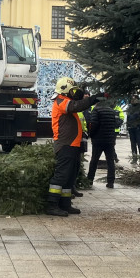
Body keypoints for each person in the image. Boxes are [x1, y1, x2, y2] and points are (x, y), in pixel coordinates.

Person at [47, 78, 99, 217]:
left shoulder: (65, 100)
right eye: (72, 91)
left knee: (70, 177)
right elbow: (75, 106)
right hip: (65, 144)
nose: (74, 93)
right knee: (61, 176)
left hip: (72, 145)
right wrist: (93, 99)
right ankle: (52, 205)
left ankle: (65, 204)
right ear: (65, 90)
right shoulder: (61, 101)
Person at [86, 98, 121, 188]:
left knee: (94, 160)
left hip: (98, 140)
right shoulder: (111, 111)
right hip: (110, 140)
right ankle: (110, 182)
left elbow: (93, 124)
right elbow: (117, 124)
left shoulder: (96, 111)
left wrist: (91, 135)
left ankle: (89, 180)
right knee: (110, 161)